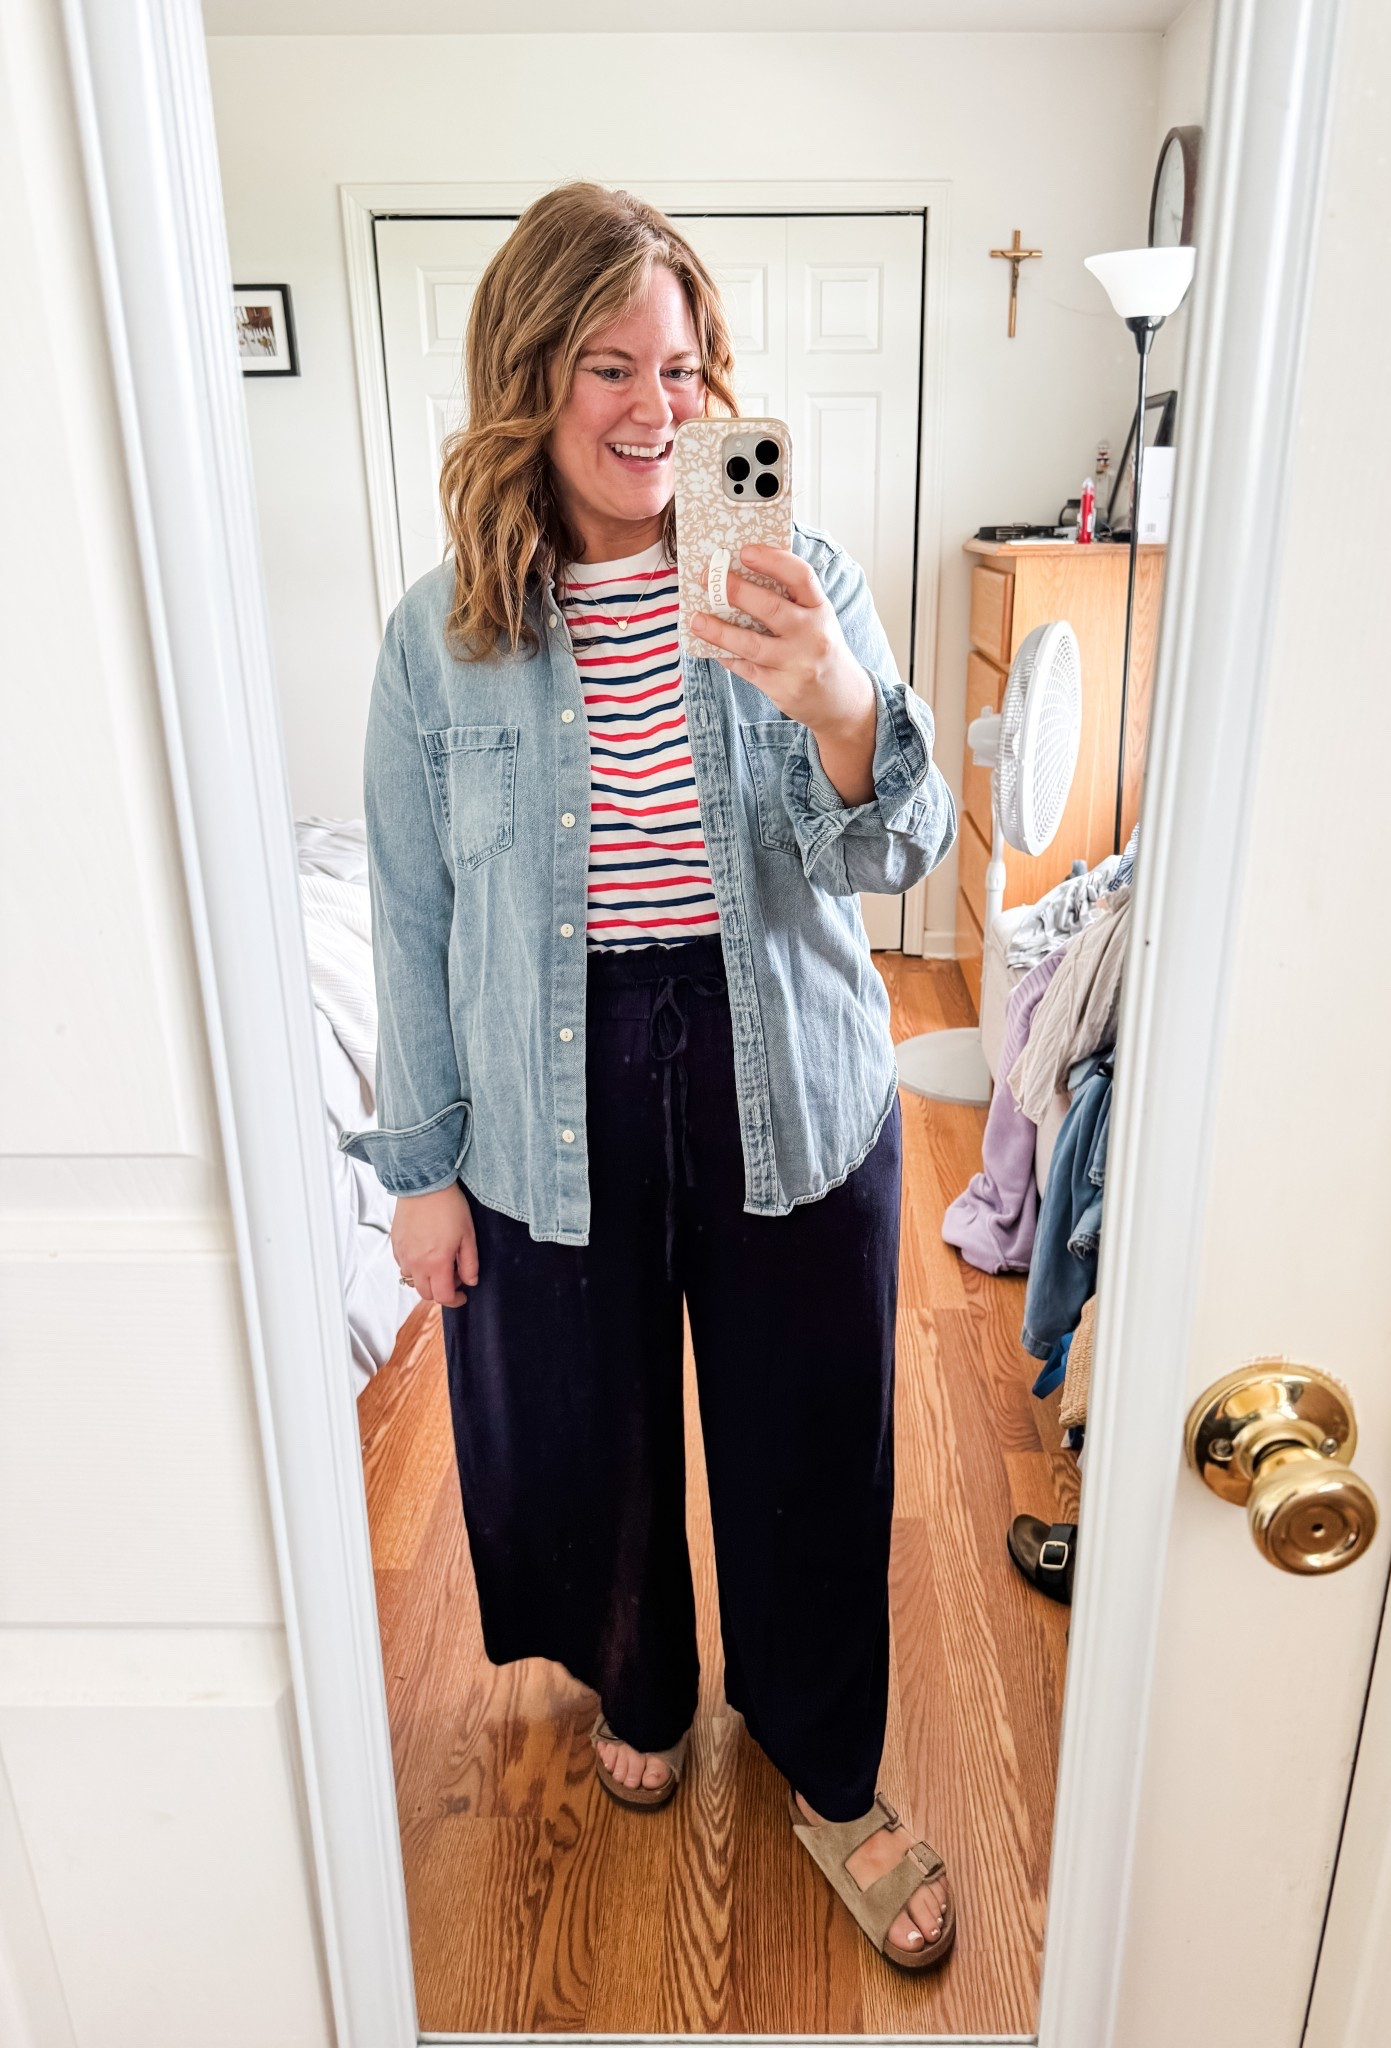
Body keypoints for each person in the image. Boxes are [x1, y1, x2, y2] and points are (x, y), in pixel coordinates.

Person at [341, 182, 959, 1972]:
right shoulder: (434, 634)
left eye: (682, 365)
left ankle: (831, 1770)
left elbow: (894, 854)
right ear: (529, 380)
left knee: (807, 1440)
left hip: (786, 1067)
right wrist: (422, 1166)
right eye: (606, 363)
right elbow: (405, 910)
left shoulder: (797, 576)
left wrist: (841, 702)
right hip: (552, 1084)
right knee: (590, 1435)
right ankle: (647, 1677)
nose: (653, 407)